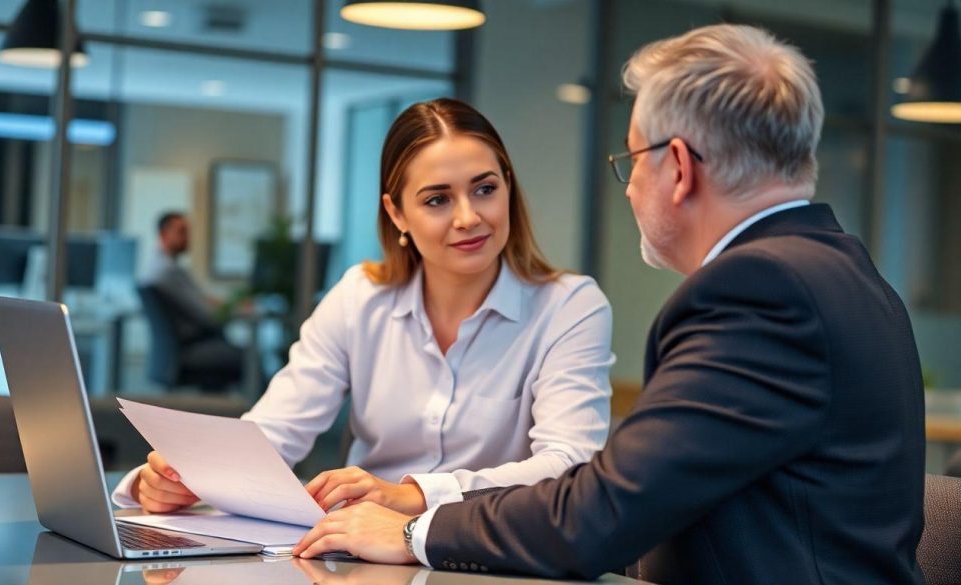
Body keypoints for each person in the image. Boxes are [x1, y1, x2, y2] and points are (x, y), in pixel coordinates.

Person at [291, 25, 926, 584]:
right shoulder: (845, 269)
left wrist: (410, 533)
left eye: (633, 159)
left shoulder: (758, 291)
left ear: (677, 166)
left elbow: (601, 512)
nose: (630, 189)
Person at [113, 99, 615, 520]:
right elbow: (275, 432)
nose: (469, 217)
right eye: (437, 200)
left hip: (491, 553)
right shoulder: (360, 297)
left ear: (508, 187)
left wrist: (415, 495)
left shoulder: (569, 307)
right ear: (397, 212)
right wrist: (172, 478)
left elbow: (569, 463)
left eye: (485, 188)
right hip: (359, 554)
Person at [141, 211, 242, 386]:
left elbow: (201, 299)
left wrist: (221, 305)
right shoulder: (167, 272)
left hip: (174, 350)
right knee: (249, 356)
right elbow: (208, 316)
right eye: (182, 232)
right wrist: (233, 311)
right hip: (189, 348)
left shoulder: (157, 268)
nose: (187, 238)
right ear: (164, 234)